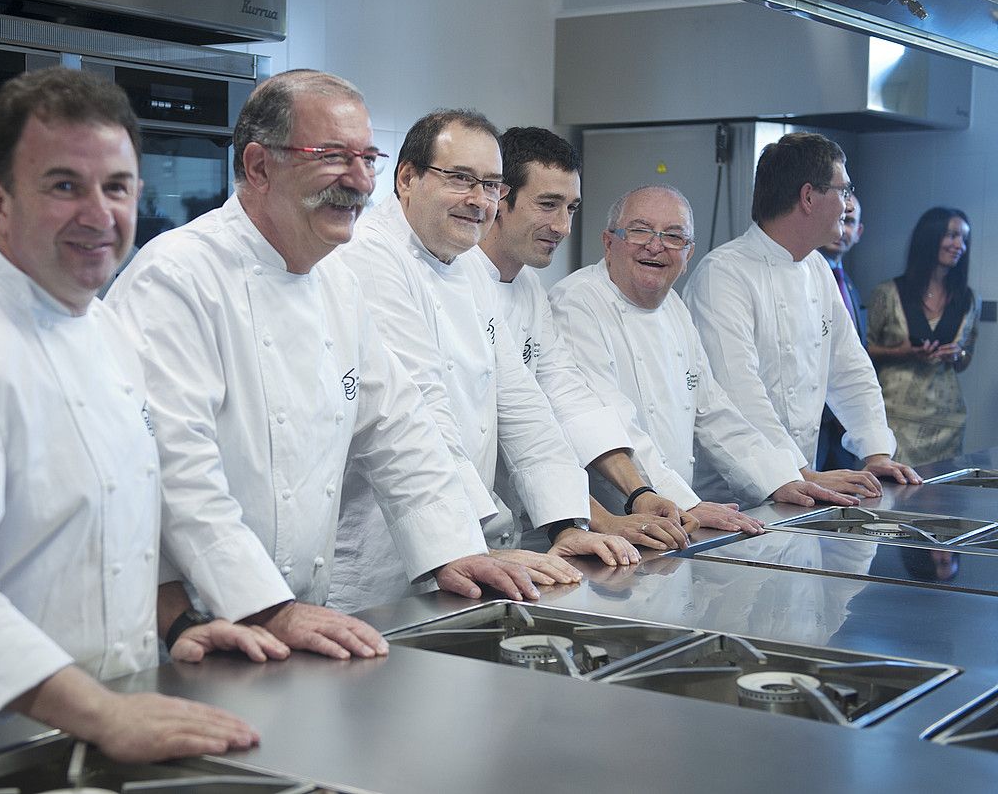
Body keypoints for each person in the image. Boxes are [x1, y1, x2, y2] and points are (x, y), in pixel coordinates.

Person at [0, 67, 266, 761]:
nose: (99, 215)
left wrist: (176, 625)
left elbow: (100, 526)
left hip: (89, 731)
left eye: (117, 187)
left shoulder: (105, 330)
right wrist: (99, 710)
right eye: (65, 185)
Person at [106, 71, 537, 655]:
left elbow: (396, 425)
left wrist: (451, 548)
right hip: (196, 625)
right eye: (333, 157)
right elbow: (176, 468)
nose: (360, 181)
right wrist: (264, 605)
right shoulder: (179, 278)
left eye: (367, 158)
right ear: (258, 167)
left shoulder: (336, 278)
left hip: (296, 614)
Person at [328, 110, 641, 614]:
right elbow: (420, 410)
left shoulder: (471, 265)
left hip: (463, 549)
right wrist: (475, 540)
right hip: (378, 556)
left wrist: (567, 521)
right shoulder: (370, 257)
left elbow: (520, 401)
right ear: (406, 178)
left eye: (491, 185)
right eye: (460, 179)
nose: (479, 200)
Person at [550, 185, 855, 527]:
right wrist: (682, 501)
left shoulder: (674, 308)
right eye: (640, 231)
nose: (656, 245)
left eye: (674, 236)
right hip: (611, 525)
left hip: (670, 519)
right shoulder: (577, 302)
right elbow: (611, 420)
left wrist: (780, 479)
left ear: (688, 254)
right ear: (609, 243)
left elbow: (713, 412)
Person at [476, 127, 695, 551]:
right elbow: (516, 426)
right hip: (402, 549)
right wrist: (597, 519)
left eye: (571, 208)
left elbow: (570, 401)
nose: (562, 226)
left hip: (496, 538)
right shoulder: (457, 288)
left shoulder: (529, 292)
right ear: (500, 198)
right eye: (548, 205)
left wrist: (640, 494)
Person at [683, 132, 920, 497]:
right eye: (843, 190)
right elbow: (740, 392)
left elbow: (850, 368)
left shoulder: (817, 269)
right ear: (808, 197)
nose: (847, 204)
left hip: (799, 487)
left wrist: (876, 452)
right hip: (731, 496)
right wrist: (802, 472)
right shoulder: (724, 275)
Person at [867, 207, 980, 465]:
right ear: (930, 238)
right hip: (896, 417)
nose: (959, 246)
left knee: (942, 499)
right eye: (952, 236)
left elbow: (965, 359)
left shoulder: (968, 299)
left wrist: (958, 354)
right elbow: (863, 350)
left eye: (964, 239)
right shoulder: (889, 292)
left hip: (947, 422)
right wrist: (901, 352)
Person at [816, 193, 865, 470]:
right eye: (838, 218)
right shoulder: (808, 277)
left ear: (858, 232)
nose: (841, 228)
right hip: (814, 419)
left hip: (845, 425)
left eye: (849, 221)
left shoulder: (852, 288)